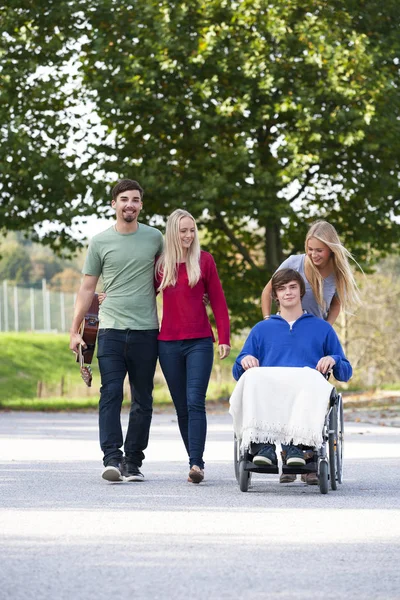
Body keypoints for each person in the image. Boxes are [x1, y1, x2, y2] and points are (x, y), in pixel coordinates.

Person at [69, 179, 163, 483]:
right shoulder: (99, 242)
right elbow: (87, 288)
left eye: (135, 200)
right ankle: (111, 458)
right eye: (124, 199)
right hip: (109, 330)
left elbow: (169, 275)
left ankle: (133, 462)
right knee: (110, 393)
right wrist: (74, 331)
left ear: (141, 205)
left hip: (146, 330)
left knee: (143, 399)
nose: (130, 205)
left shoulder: (155, 238)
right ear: (114, 204)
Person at [233, 268, 352, 485]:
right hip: (269, 396)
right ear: (275, 296)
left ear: (301, 292)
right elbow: (237, 373)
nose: (287, 292)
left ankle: (296, 447)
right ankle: (264, 447)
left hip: (305, 394)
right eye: (282, 288)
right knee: (253, 377)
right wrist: (244, 360)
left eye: (292, 287)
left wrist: (333, 359)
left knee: (309, 378)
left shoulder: (321, 328)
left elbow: (345, 371)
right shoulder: (261, 330)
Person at [156, 209, 230, 484]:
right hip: (168, 344)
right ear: (173, 233)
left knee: (195, 400)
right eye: (183, 231)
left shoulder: (205, 260)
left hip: (199, 341)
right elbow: (140, 294)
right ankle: (194, 461)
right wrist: (109, 295)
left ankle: (196, 463)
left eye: (191, 230)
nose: (188, 235)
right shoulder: (161, 265)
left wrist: (224, 337)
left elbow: (219, 301)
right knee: (181, 406)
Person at [261, 220, 361, 325]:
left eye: (319, 250)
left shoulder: (338, 273)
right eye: (310, 249)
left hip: (315, 334)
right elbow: (267, 292)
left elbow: (336, 304)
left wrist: (327, 327)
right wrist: (267, 321)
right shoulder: (293, 263)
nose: (313, 255)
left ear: (331, 249)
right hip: (288, 329)